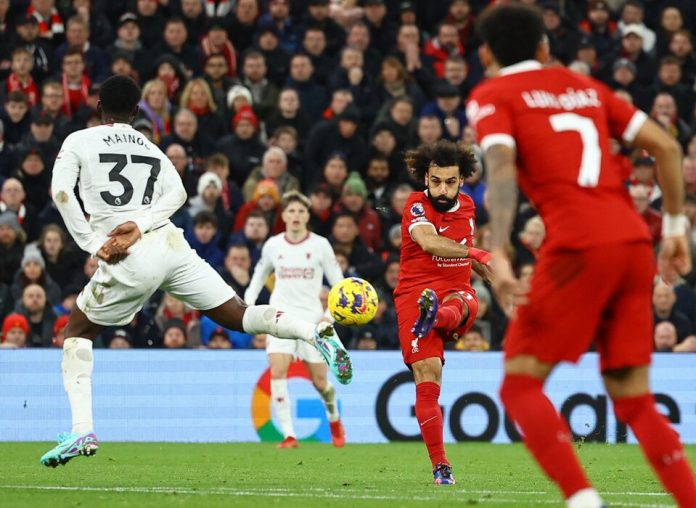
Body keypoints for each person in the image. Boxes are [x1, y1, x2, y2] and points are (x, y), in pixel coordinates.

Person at [41, 75, 352, 468]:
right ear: (138, 111)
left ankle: (82, 427)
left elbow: (62, 193)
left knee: (76, 334)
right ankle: (313, 331)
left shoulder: (78, 141)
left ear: (98, 107)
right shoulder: (153, 149)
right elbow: (179, 194)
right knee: (239, 315)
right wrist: (142, 221)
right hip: (171, 245)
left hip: (129, 257)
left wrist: (93, 242)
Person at [469, 4, 696, 507]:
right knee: (633, 397)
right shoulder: (589, 90)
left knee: (520, 387)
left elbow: (502, 170)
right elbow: (667, 147)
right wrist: (676, 228)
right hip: (635, 244)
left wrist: (500, 248)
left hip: (577, 246)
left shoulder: (492, 94)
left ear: (485, 53)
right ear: (545, 49)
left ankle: (582, 500)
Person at [394, 140, 491, 485]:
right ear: (426, 178)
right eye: (435, 181)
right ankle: (441, 466)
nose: (442, 189)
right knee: (427, 372)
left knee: (467, 301)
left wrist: (491, 273)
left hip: (453, 290)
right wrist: (479, 256)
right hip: (414, 293)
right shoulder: (415, 206)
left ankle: (435, 317)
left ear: (462, 180)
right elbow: (429, 242)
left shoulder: (466, 206)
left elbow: (464, 252)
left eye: (450, 182)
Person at [245, 191, 347, 449]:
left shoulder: (320, 245)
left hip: (312, 321)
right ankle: (289, 435)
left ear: (307, 216)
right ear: (283, 215)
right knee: (277, 373)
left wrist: (329, 316)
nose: (296, 216)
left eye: (301, 211)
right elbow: (257, 279)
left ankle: (334, 419)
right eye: (291, 211)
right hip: (279, 318)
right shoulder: (273, 245)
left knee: (320, 382)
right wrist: (249, 311)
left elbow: (340, 286)